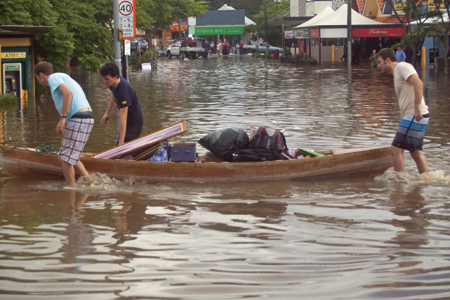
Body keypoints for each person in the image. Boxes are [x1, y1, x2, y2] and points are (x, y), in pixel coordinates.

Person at [34, 61, 94, 187]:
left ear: (41, 74)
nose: (39, 82)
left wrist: (62, 118)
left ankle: (71, 191)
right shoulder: (61, 77)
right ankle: (91, 182)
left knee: (65, 158)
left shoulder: (53, 78)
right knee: (71, 156)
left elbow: (68, 93)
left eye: (37, 79)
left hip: (79, 118)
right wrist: (66, 122)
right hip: (84, 117)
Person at [376, 48, 430, 174]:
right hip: (417, 115)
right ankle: (426, 180)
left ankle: (398, 184)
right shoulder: (397, 73)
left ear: (387, 60)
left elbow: (419, 83)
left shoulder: (402, 66)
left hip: (414, 115)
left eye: (379, 62)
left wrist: (416, 108)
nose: (378, 66)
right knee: (415, 152)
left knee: (395, 149)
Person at [100, 62, 143, 146]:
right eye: (103, 78)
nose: (104, 81)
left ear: (115, 77)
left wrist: (121, 141)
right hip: (127, 121)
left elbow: (123, 117)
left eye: (106, 79)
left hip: (134, 122)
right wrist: (107, 113)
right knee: (120, 149)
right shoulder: (113, 84)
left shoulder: (123, 91)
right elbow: (113, 96)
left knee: (124, 150)